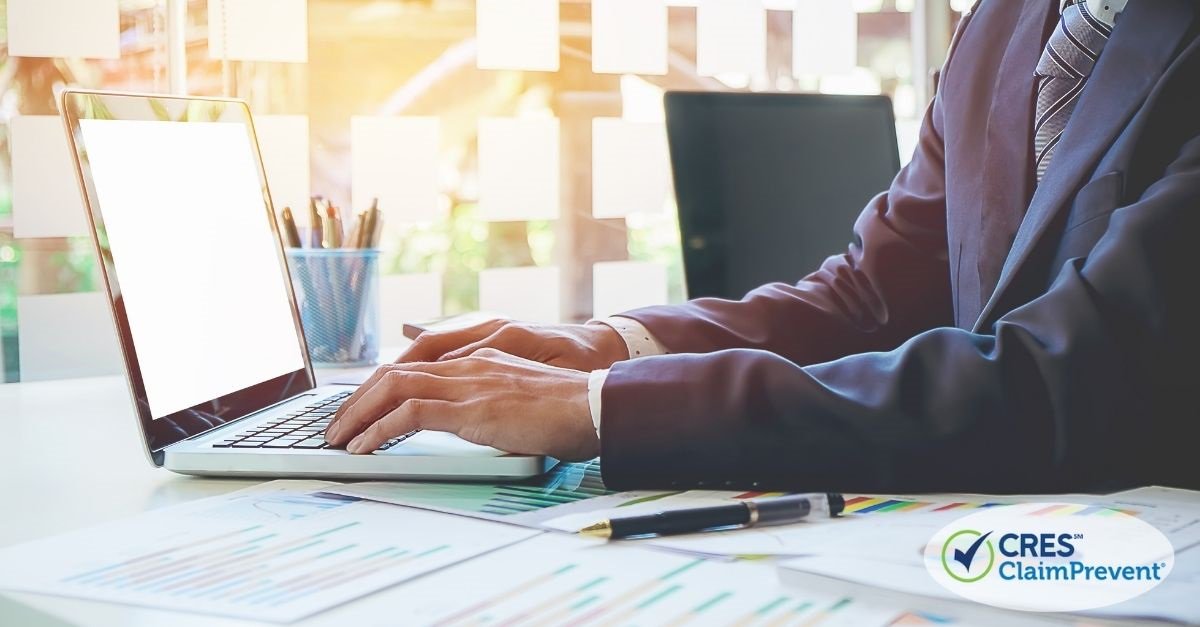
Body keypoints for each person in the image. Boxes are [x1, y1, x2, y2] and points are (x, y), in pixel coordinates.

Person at [326, 0, 1200, 492]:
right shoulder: (1005, 22)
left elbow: (1065, 377)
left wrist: (606, 404)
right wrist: (611, 346)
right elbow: (869, 298)